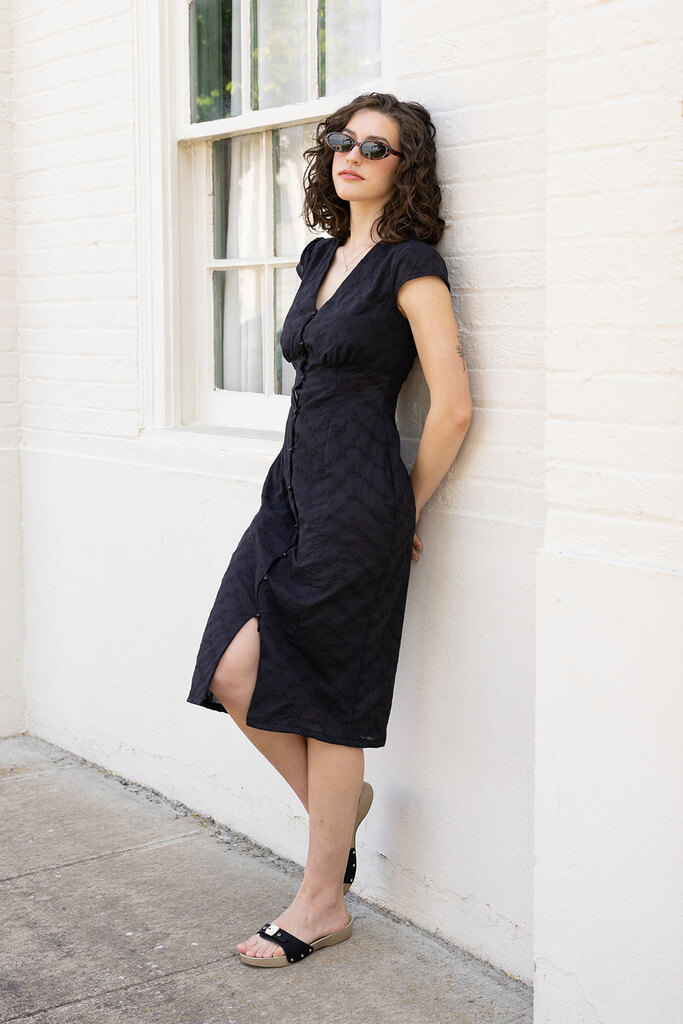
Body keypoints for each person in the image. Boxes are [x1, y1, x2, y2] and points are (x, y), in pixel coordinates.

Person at [186, 91, 473, 967]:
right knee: (236, 673)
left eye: (374, 147)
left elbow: (452, 407)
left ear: (404, 167)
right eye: (341, 141)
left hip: (359, 504)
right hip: (290, 491)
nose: (350, 154)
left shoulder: (411, 265)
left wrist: (404, 510)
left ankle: (320, 904)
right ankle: (338, 812)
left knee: (328, 701)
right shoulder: (320, 256)